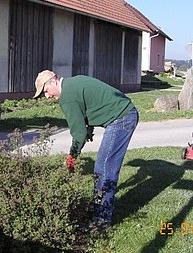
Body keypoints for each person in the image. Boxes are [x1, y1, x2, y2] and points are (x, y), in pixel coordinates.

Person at [33, 70, 138, 232]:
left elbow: (78, 134)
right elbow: (89, 107)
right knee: (102, 168)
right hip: (123, 113)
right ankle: (98, 208)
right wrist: (88, 129)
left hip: (121, 117)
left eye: (45, 91)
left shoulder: (67, 97)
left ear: (53, 81)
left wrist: (71, 158)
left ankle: (102, 220)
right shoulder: (72, 83)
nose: (47, 96)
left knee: (104, 168)